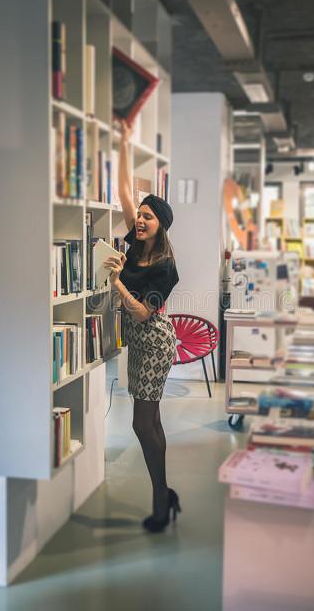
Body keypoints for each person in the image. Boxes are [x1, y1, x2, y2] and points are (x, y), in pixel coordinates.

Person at [103, 120, 180, 533]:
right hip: (140, 344)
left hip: (154, 342)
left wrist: (115, 281)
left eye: (148, 217)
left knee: (139, 422)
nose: (141, 221)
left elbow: (141, 313)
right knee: (151, 422)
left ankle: (160, 498)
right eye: (141, 215)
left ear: (160, 226)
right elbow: (121, 192)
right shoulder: (136, 243)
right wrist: (124, 141)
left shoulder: (165, 267)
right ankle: (164, 495)